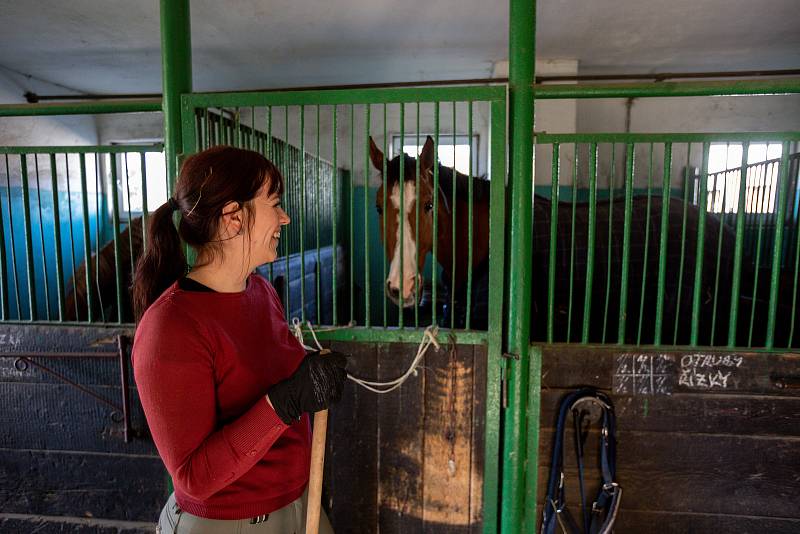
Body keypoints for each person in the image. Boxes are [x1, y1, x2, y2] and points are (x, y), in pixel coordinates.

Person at [131, 145, 346, 533]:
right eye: (275, 204)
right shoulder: (170, 327)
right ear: (233, 218)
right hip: (228, 523)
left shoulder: (261, 291)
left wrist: (312, 371)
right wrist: (286, 402)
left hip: (298, 505)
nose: (285, 217)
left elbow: (265, 376)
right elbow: (194, 477)